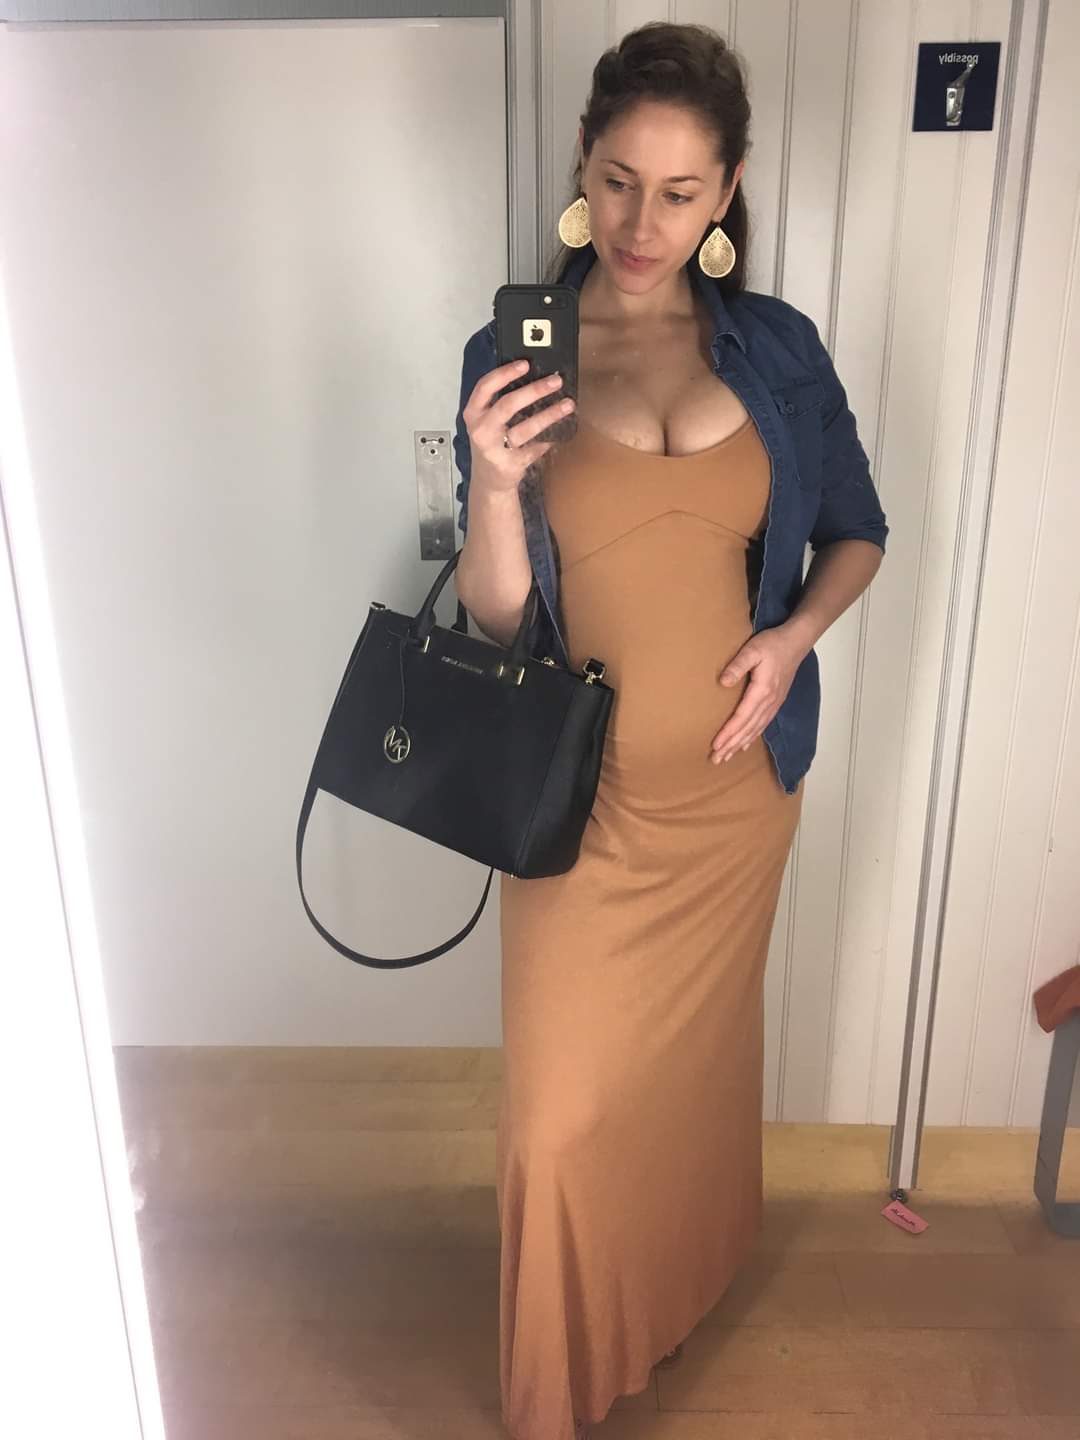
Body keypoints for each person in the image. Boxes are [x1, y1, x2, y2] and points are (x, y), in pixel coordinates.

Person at [451, 22, 888, 1440]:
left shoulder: (775, 349)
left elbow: (858, 532)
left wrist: (792, 639)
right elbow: (501, 620)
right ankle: (549, 1395)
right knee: (558, 1119)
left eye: (682, 192)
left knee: (685, 1085)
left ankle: (670, 1302)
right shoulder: (512, 349)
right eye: (621, 182)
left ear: (729, 191)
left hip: (736, 798)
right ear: (585, 164)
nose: (645, 224)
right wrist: (495, 484)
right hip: (575, 809)